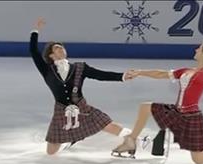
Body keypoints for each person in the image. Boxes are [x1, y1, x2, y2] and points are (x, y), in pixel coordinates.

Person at [112, 16, 203, 164]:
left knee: (198, 159)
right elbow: (161, 74)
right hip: (176, 112)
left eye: (199, 48)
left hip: (191, 116)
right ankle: (131, 141)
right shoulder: (185, 70)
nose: (196, 49)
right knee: (145, 107)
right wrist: (140, 72)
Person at [30, 18, 135, 155]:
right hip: (61, 111)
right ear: (50, 55)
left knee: (106, 124)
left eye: (62, 47)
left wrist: (121, 76)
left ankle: (132, 139)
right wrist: (35, 30)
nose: (61, 48)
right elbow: (33, 51)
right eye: (56, 48)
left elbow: (100, 75)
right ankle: (69, 141)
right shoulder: (47, 70)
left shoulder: (80, 67)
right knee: (51, 152)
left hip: (82, 107)